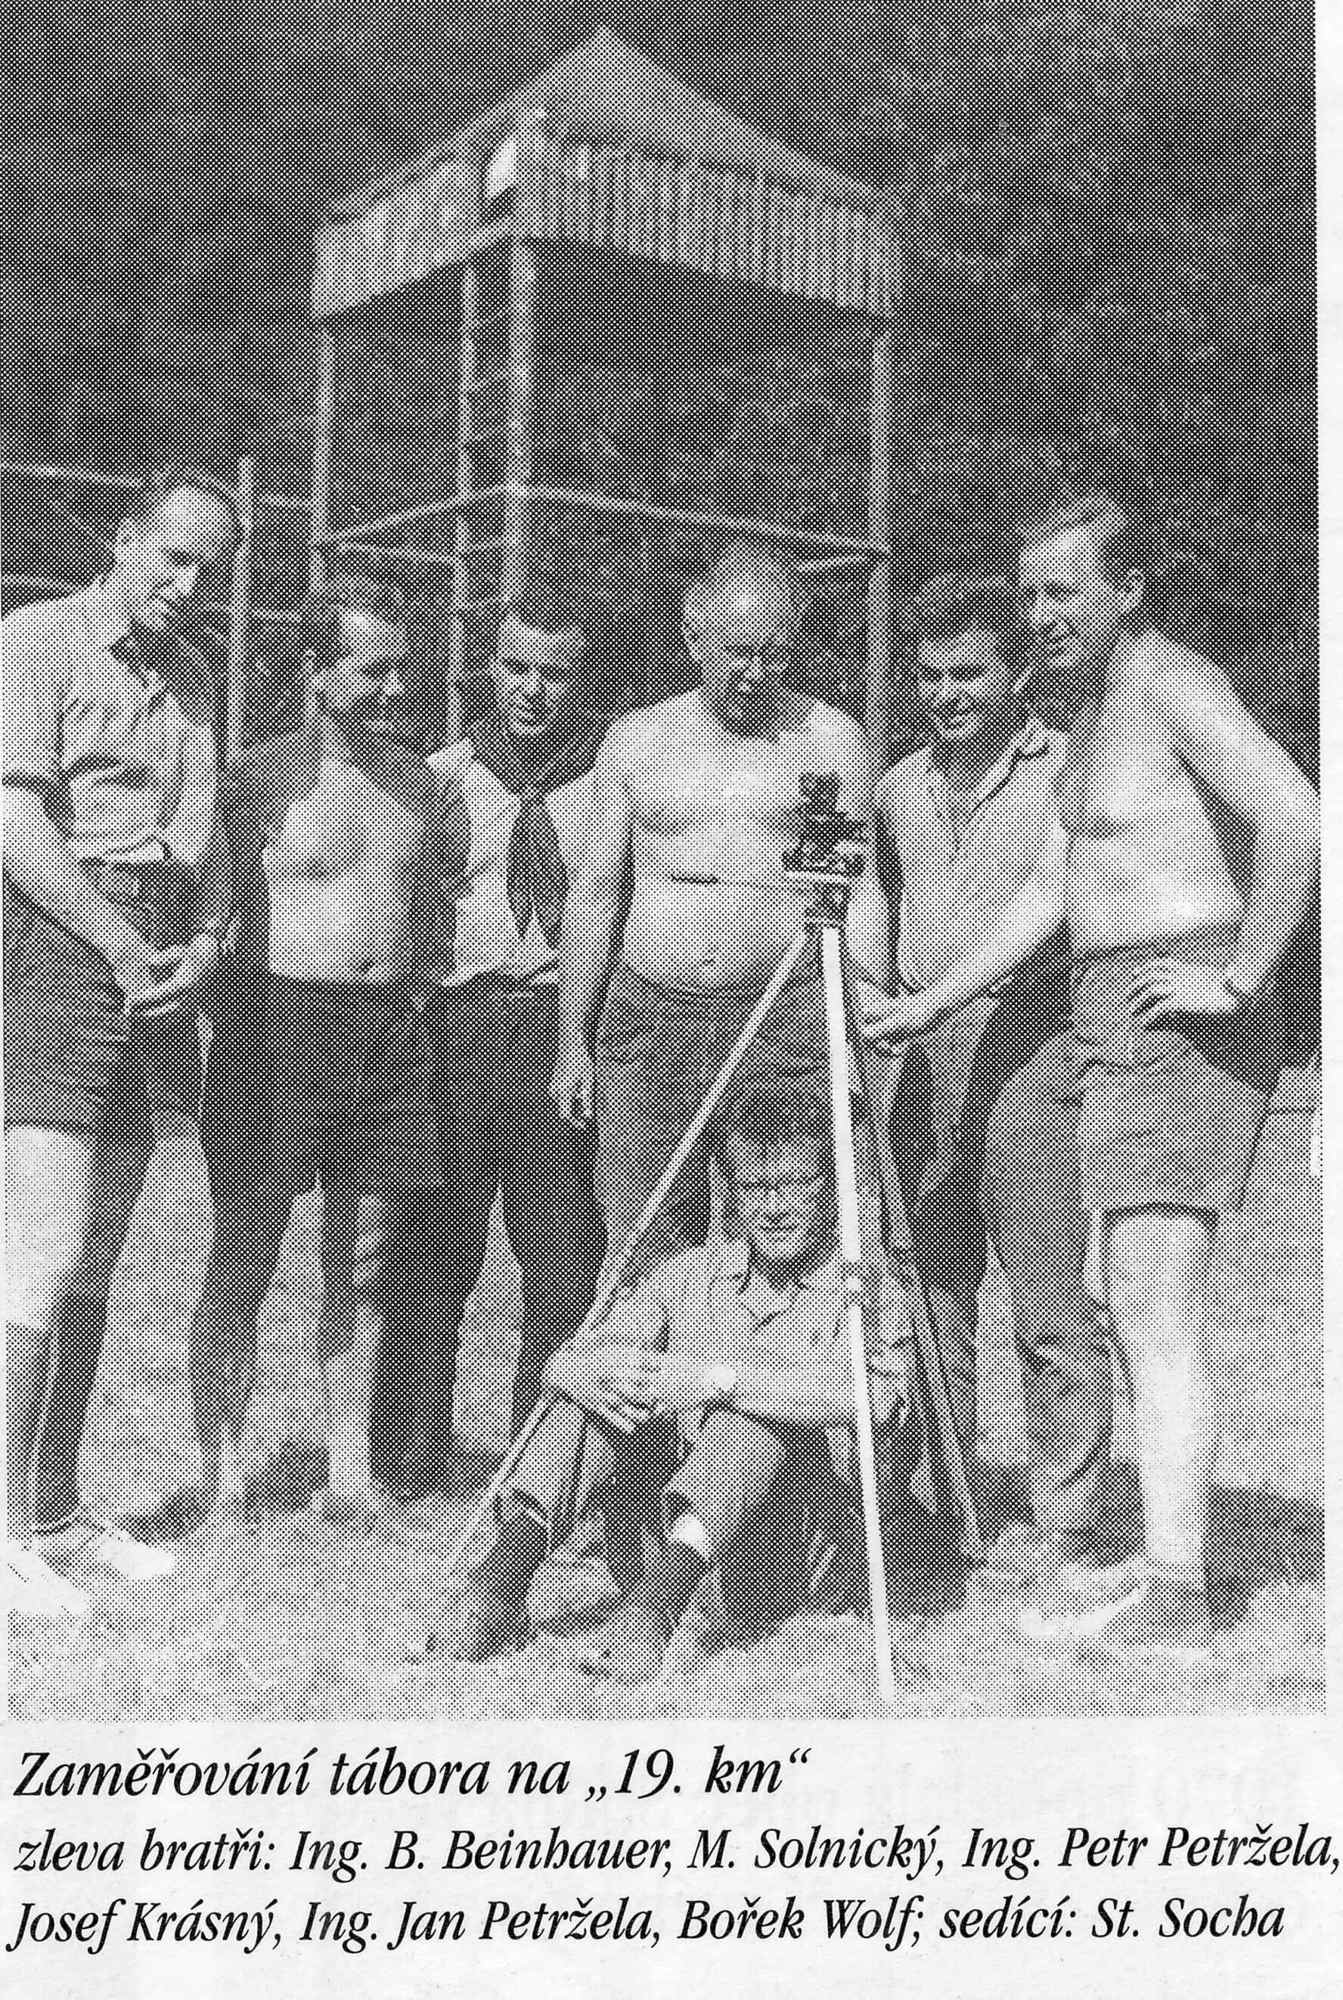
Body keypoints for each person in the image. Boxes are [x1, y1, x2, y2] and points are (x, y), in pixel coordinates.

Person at [864, 489, 1320, 1658]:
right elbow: (1046, 892)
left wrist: (1240, 976)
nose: (1039, 613)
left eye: (1061, 589)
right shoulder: (1094, 708)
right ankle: (1164, 1561)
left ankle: (1174, 1600)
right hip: (1109, 1007)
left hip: (1177, 1009)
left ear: (1128, 589)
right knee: (1126, 1300)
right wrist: (929, 1000)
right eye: (1028, 592)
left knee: (1153, 1307)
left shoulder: (1173, 684)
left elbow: (1298, 819)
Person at [438, 1076, 914, 1683]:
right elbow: (573, 1359)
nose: (773, 1210)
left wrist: (722, 1382)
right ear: (730, 1195)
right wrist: (604, 1377)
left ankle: (656, 1610)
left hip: (795, 1508)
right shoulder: (689, 1272)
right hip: (668, 1487)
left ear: (829, 1191)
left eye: (794, 1186)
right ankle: (502, 1577)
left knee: (742, 1430)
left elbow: (876, 1401)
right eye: (755, 1189)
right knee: (579, 1405)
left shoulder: (866, 1286)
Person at [4, 470, 241, 1616]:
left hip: (155, 956)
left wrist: (204, 942)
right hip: (59, 944)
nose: (188, 585)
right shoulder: (37, 639)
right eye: (173, 557)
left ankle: (54, 1509)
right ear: (122, 537)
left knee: (98, 1256)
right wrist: (116, 943)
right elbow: (13, 822)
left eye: (210, 570)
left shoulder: (192, 677)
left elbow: (211, 841)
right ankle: (3, 1532)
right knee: (41, 1251)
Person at [185, 575, 456, 1526]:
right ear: (314, 669)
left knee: (367, 1260)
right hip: (275, 1026)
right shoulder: (254, 780)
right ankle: (222, 1476)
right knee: (245, 1252)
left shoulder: (422, 784)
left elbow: (435, 913)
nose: (395, 689)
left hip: (385, 1033)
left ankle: (347, 1472)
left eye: (400, 669)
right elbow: (209, 909)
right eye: (371, 670)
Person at [550, 542, 889, 1277]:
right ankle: (654, 1352)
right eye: (736, 653)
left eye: (773, 653)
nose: (754, 673)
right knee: (644, 1234)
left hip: (785, 1019)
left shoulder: (830, 742)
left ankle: (777, 1354)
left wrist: (862, 1018)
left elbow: (860, 887)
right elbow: (596, 895)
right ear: (693, 639)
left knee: (789, 1224)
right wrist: (574, 1038)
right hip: (652, 1020)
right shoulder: (638, 742)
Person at [874, 574, 1113, 1606]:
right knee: (929, 1292)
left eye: (967, 673)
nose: (945, 694)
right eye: (928, 675)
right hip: (918, 1053)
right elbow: (876, 911)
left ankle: (1066, 1523)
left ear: (1016, 674)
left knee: (1049, 1303)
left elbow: (1056, 900)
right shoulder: (895, 785)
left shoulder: (1072, 765)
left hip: (1030, 1042)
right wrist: (879, 1001)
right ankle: (947, 1506)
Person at [389, 584, 609, 1493]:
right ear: (488, 666)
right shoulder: (439, 776)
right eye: (515, 667)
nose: (532, 690)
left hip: (562, 1029)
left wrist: (580, 1040)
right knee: (432, 1256)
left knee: (562, 1263)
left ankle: (537, 1469)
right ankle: (407, 1458)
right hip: (453, 1027)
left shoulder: (612, 780)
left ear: (580, 679)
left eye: (554, 673)